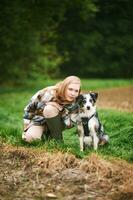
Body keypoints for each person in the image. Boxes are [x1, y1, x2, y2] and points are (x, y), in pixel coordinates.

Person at [22, 76, 81, 142]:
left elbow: (70, 125)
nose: (73, 94)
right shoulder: (49, 92)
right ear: (64, 87)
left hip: (59, 123)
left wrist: (60, 109)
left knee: (49, 109)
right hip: (39, 121)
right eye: (70, 89)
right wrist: (25, 127)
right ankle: (46, 136)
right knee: (29, 138)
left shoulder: (76, 102)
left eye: (76, 91)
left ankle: (58, 140)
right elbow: (29, 108)